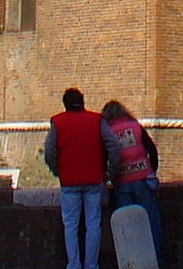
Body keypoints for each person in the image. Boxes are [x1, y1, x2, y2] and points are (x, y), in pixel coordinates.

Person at [44, 88, 120, 269]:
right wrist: (110, 171)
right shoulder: (96, 120)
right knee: (93, 224)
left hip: (69, 180)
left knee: (70, 225)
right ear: (82, 102)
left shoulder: (58, 122)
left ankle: (74, 264)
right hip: (94, 179)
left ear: (65, 104)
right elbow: (114, 146)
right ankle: (91, 265)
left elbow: (49, 152)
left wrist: (58, 170)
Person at [103, 100, 164, 265]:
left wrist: (109, 176)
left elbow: (105, 158)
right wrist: (152, 170)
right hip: (143, 179)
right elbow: (152, 149)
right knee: (151, 221)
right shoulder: (135, 125)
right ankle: (157, 259)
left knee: (127, 223)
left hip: (122, 182)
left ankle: (130, 261)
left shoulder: (107, 131)